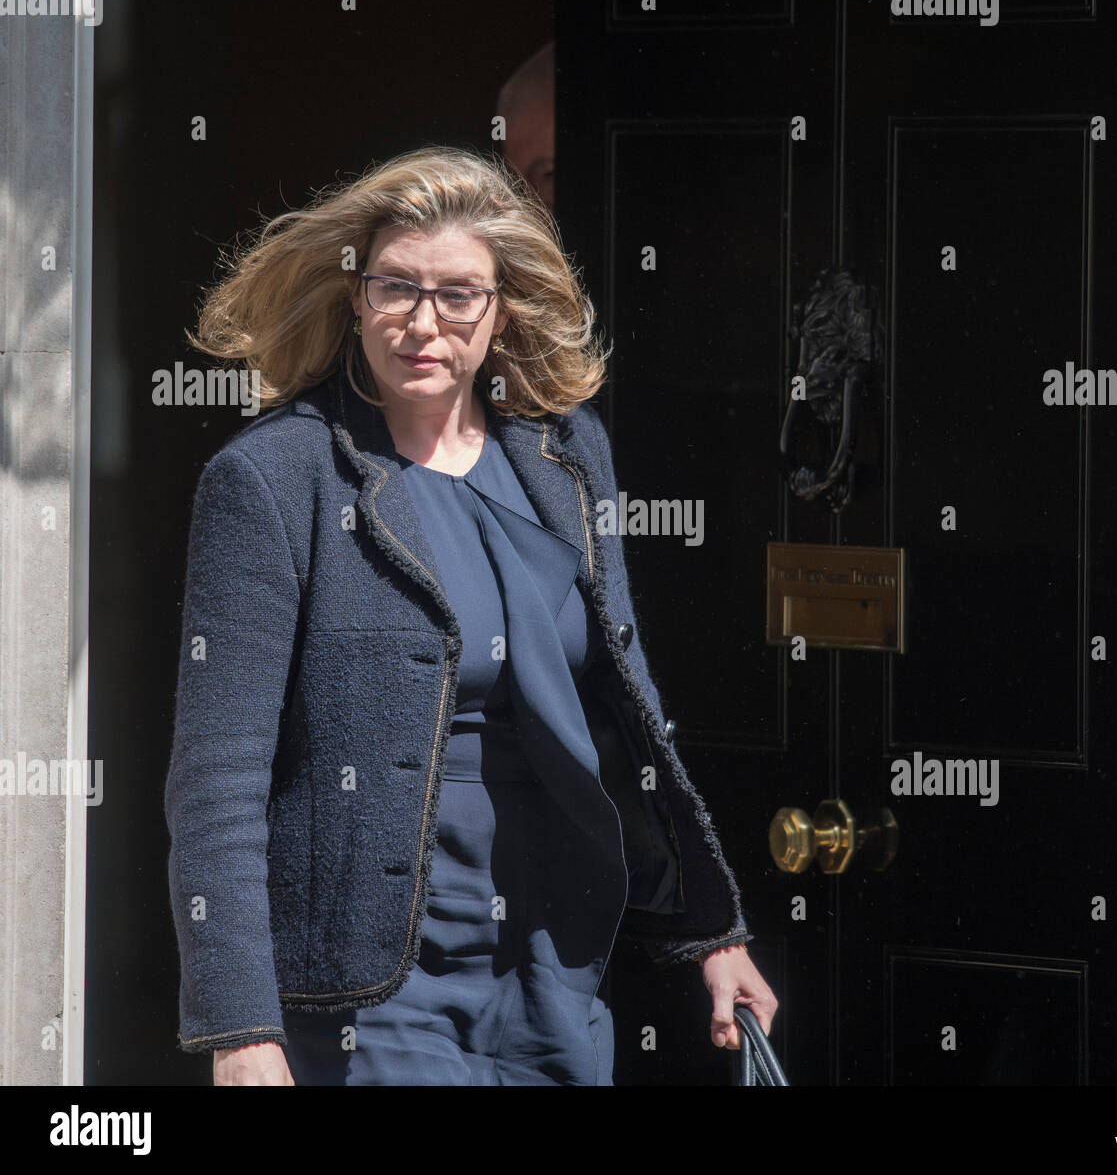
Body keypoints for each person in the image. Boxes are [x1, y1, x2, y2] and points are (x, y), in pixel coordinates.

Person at [164, 144, 778, 1085]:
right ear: (354, 296)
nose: (423, 322)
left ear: (500, 310)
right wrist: (240, 1029)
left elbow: (624, 702)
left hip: (551, 960)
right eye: (395, 288)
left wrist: (711, 930)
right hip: (369, 985)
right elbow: (217, 776)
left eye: (457, 295)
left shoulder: (565, 456)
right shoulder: (273, 478)